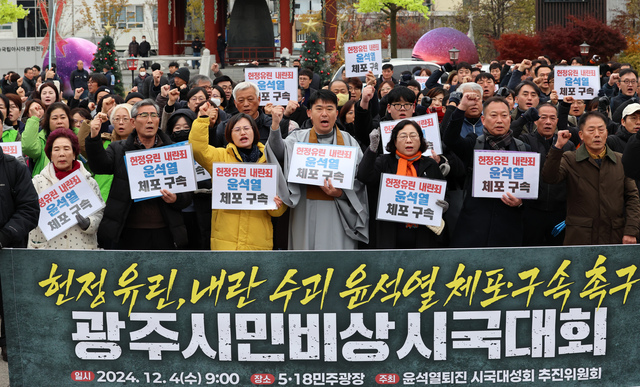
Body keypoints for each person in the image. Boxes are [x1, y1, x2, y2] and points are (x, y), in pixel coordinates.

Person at [265, 89, 369, 250]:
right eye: (319, 109)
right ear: (309, 113)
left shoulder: (349, 142)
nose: (324, 114)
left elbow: (360, 182)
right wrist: (275, 126)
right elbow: (278, 153)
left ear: (337, 112)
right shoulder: (297, 138)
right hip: (304, 210)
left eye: (329, 109)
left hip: (339, 212)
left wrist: (340, 193)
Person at [85, 99, 192, 249]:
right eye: (144, 115)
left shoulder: (173, 152)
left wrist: (176, 198)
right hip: (127, 230)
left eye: (153, 115)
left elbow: (187, 195)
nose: (149, 120)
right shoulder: (118, 149)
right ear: (133, 122)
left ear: (158, 120)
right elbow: (99, 166)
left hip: (165, 230)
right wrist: (94, 138)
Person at [190, 107, 287, 250]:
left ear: (254, 132)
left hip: (258, 241)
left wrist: (276, 205)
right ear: (229, 134)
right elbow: (198, 149)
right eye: (237, 130)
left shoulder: (268, 161)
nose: (243, 132)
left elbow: (279, 210)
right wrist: (202, 119)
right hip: (225, 241)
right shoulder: (220, 157)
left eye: (247, 128)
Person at [444, 95, 529, 247]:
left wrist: (521, 202)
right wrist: (461, 107)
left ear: (510, 119)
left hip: (509, 226)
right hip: (474, 226)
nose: (499, 120)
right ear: (483, 120)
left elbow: (534, 187)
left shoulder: (523, 148)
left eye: (504, 115)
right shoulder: (474, 143)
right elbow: (450, 139)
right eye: (493, 115)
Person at [544, 111, 640, 245]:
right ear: (581, 135)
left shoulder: (621, 160)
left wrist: (631, 230)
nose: (597, 135)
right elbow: (550, 178)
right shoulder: (570, 159)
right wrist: (558, 147)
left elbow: (632, 198)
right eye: (591, 130)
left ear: (607, 133)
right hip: (580, 237)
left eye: (601, 130)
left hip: (614, 235)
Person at [357, 120, 446, 248]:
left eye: (413, 136)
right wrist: (372, 148)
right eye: (403, 136)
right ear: (394, 141)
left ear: (420, 140)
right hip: (388, 234)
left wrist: (443, 205)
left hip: (422, 235)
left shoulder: (430, 164)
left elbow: (443, 194)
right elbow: (364, 176)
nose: (409, 140)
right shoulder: (384, 162)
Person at [28, 129, 103, 249]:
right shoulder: (37, 182)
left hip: (81, 248)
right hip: (47, 250)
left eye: (66, 149)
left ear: (74, 154)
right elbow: (27, 212)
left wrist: (89, 223)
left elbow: (99, 213)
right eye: (56, 149)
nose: (61, 154)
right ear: (50, 155)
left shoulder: (89, 182)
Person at [0, 137, 39, 362]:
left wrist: (5, 234)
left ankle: (9, 341)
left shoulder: (14, 167)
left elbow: (29, 208)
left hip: (9, 247)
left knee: (10, 298)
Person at [519, 103, 574, 246]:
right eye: (543, 118)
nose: (548, 122)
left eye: (552, 118)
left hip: (559, 211)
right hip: (532, 210)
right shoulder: (525, 141)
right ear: (536, 120)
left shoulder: (567, 145)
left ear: (557, 121)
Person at [22, 101, 77, 176]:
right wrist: (34, 118)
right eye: (54, 118)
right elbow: (29, 148)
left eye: (63, 117)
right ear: (48, 122)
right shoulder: (41, 138)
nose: (59, 121)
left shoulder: (79, 136)